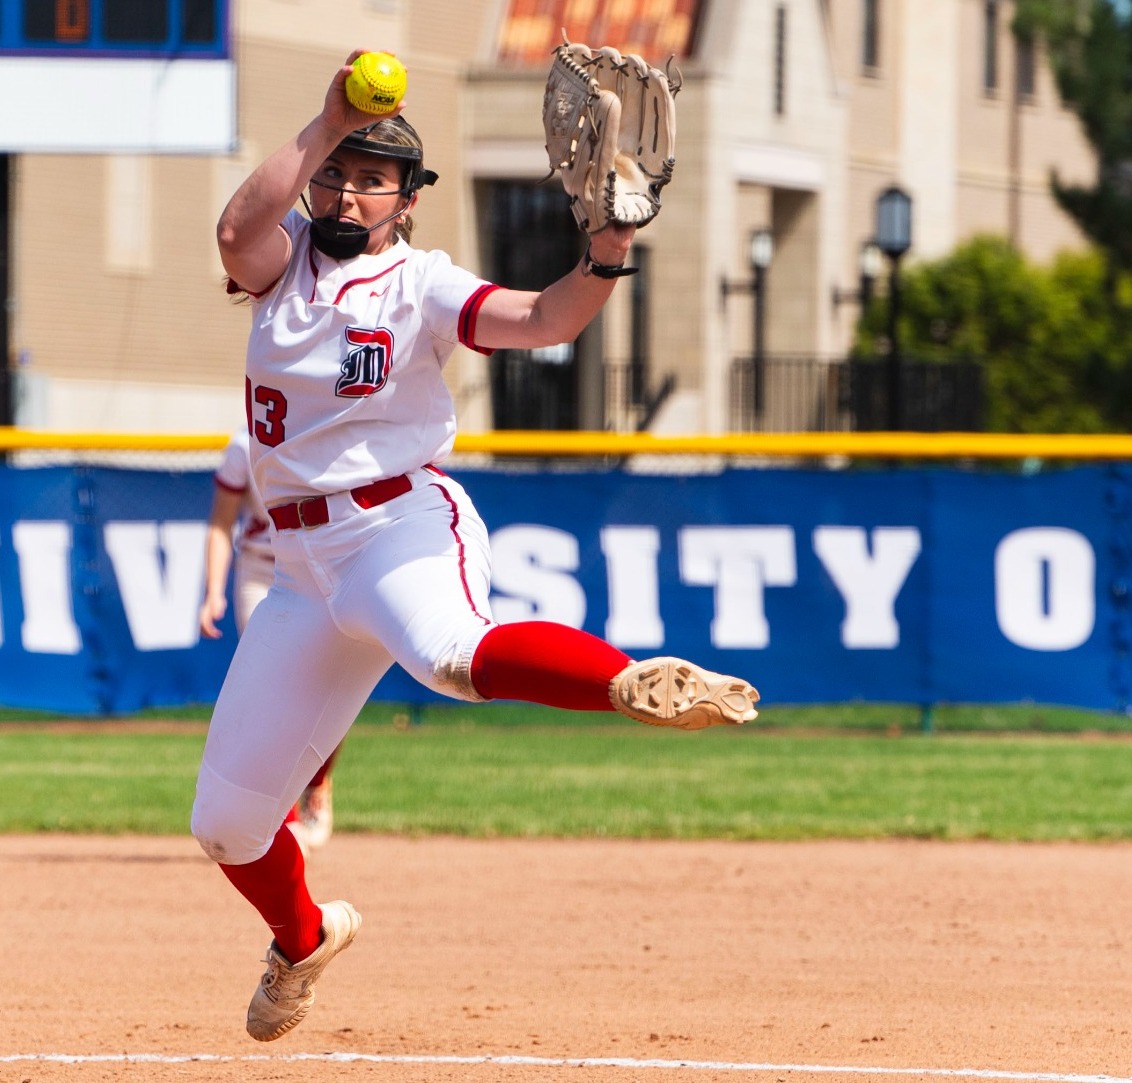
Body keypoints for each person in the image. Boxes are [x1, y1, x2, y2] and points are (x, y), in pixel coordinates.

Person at [194, 49, 761, 1043]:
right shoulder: (278, 265)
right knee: (228, 827)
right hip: (296, 571)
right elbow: (236, 229)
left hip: (397, 528)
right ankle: (305, 936)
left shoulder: (418, 284)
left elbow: (543, 318)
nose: (349, 189)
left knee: (453, 656)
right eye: (339, 171)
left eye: (376, 179)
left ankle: (628, 683)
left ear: (408, 201)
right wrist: (325, 121)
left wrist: (606, 254)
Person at [198, 426, 340, 850]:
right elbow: (222, 522)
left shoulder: (329, 432)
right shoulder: (244, 445)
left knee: (326, 685)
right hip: (260, 570)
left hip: (320, 567)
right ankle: (285, 816)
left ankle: (317, 782)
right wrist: (212, 591)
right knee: (270, 685)